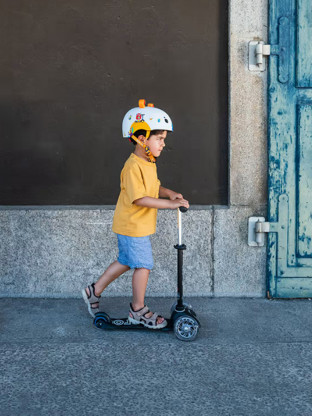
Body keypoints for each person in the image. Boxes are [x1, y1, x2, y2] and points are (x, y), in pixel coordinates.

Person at [82, 99, 189, 329]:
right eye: (159, 138)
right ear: (142, 139)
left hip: (135, 225)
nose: (163, 144)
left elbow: (153, 187)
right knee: (144, 265)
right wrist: (170, 205)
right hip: (132, 225)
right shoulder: (132, 166)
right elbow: (140, 198)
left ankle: (94, 291)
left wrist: (169, 193)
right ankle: (137, 310)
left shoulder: (148, 162)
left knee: (125, 261)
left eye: (163, 140)